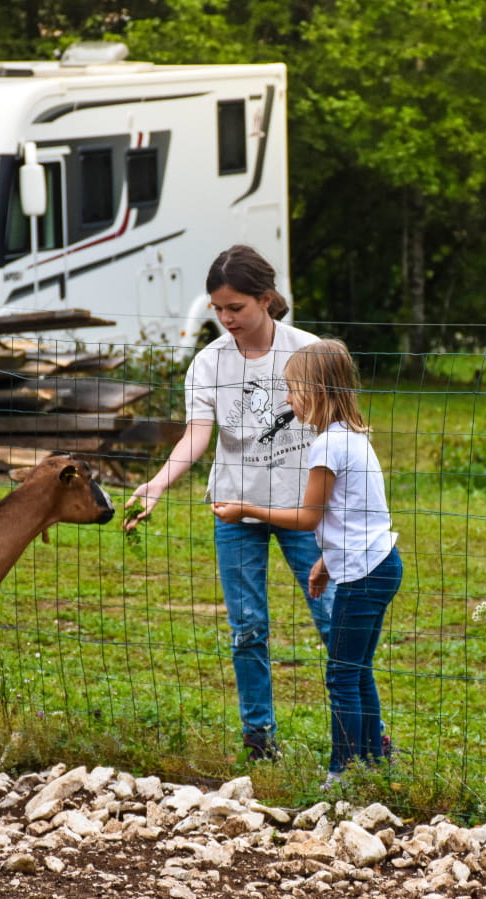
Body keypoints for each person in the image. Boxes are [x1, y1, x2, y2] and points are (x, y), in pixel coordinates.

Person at [123, 244, 334, 761]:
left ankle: (363, 735)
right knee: (248, 628)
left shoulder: (308, 353)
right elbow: (198, 435)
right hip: (233, 512)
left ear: (265, 299)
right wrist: (158, 483)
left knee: (334, 621)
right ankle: (259, 739)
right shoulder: (208, 362)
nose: (224, 318)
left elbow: (337, 433)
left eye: (235, 308)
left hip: (302, 512)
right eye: (217, 308)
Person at [212, 339, 401, 782]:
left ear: (318, 391)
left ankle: (342, 774)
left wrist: (247, 509)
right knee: (357, 672)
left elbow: (307, 517)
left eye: (293, 389)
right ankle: (372, 763)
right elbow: (353, 515)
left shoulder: (325, 448)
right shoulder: (354, 438)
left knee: (340, 677)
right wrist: (324, 563)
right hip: (380, 562)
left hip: (362, 576)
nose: (286, 398)